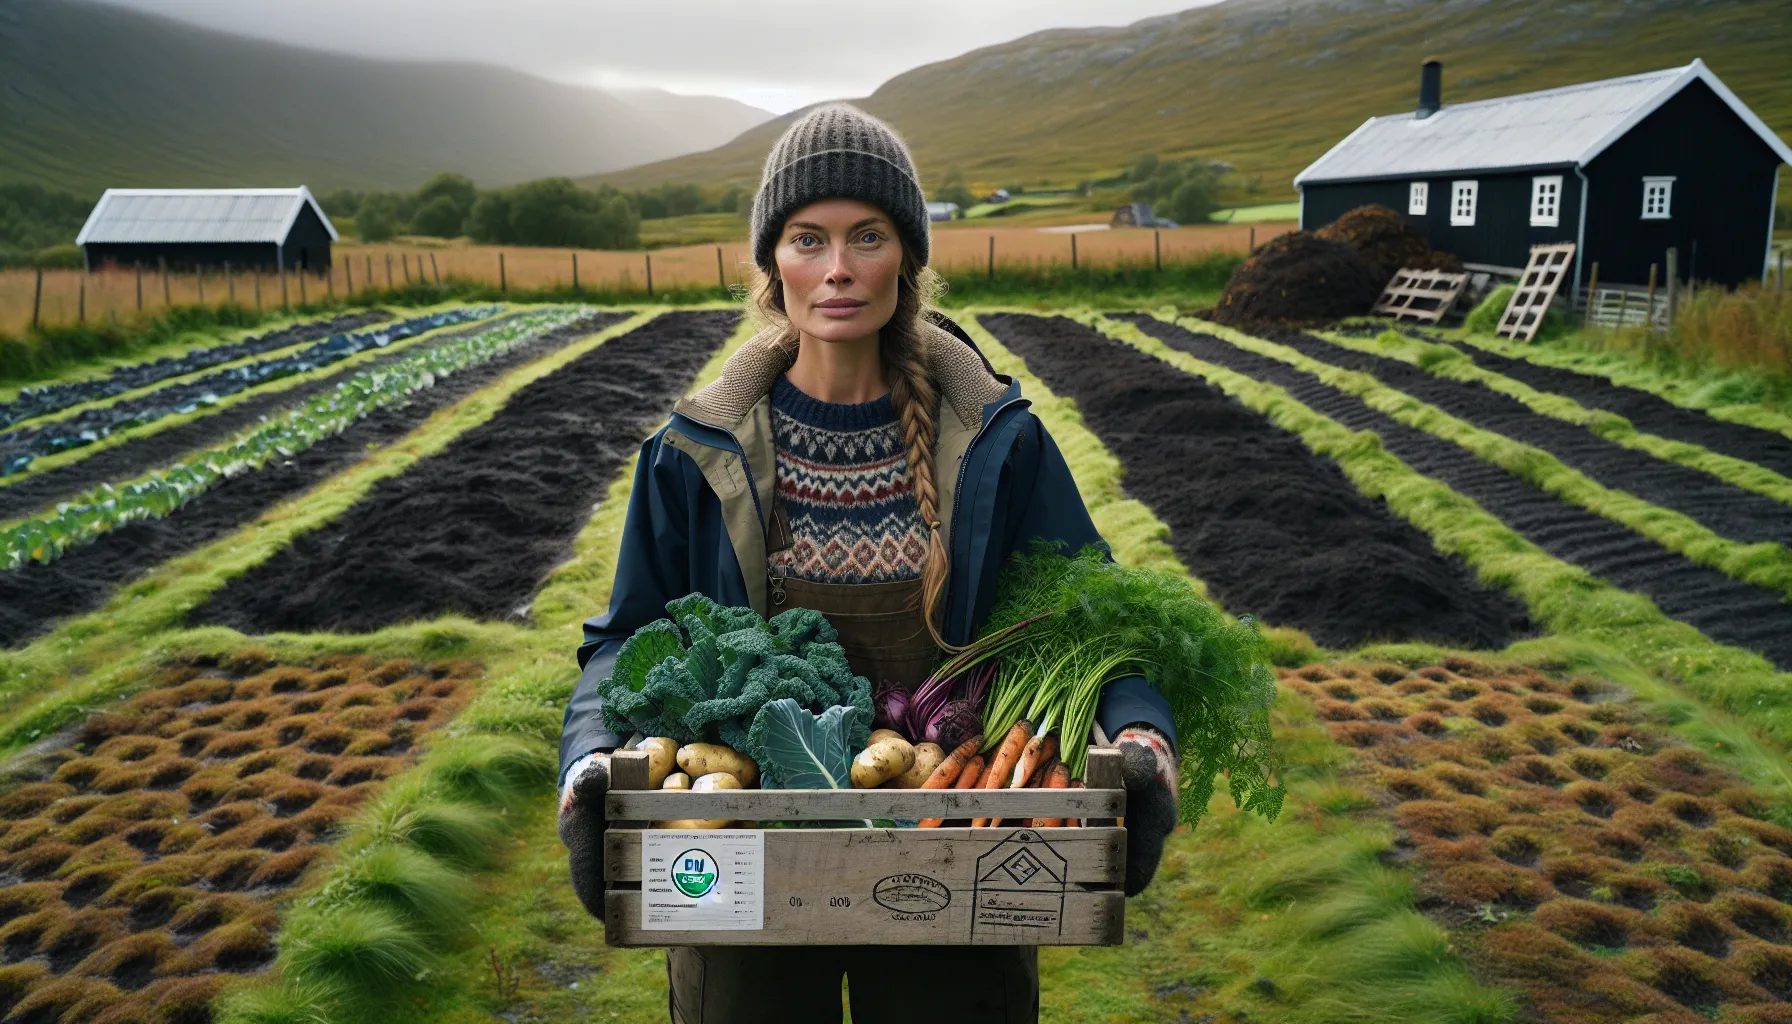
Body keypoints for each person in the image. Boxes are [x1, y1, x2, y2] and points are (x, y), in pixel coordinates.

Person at [557, 103, 1181, 1024]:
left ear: (908, 259)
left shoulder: (996, 444)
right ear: (774, 262)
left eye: (868, 236)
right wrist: (588, 760)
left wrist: (1142, 737)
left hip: (951, 831)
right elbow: (624, 642)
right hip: (743, 845)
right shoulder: (693, 454)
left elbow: (1099, 625)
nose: (838, 270)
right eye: (808, 239)